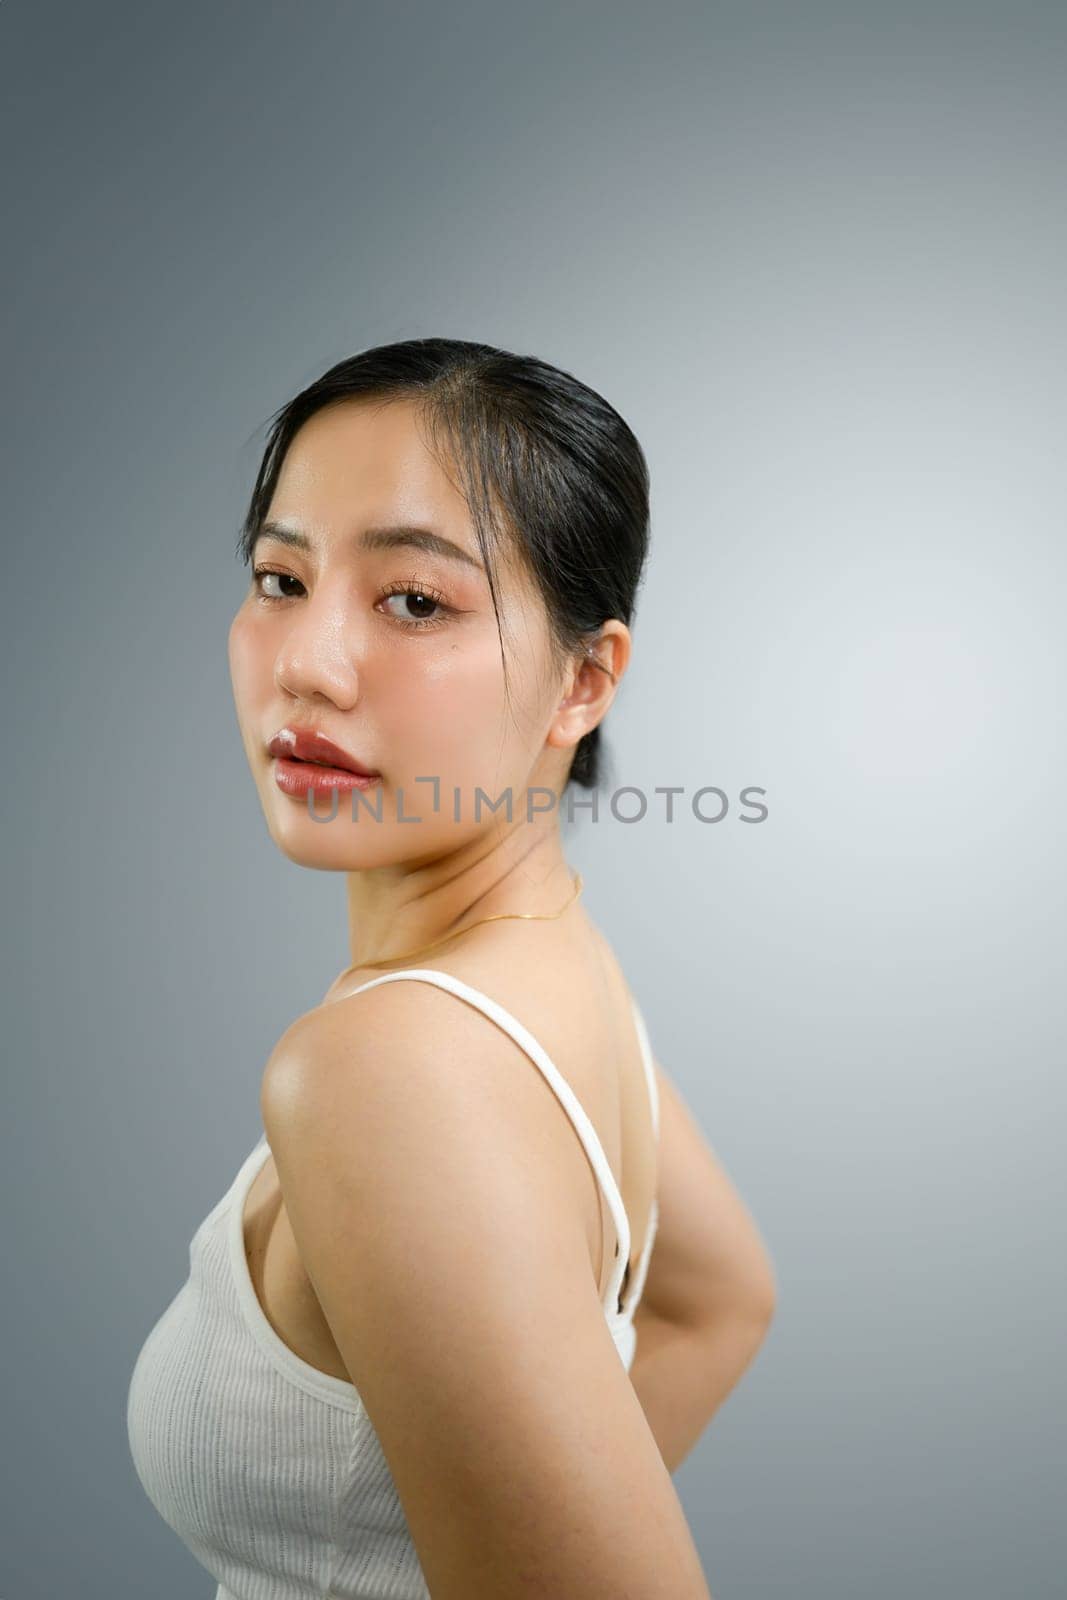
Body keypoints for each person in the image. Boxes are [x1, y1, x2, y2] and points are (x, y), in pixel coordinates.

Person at [127, 337, 776, 1599]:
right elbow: (719, 1300)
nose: (305, 664)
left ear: (583, 680)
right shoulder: (556, 972)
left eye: (414, 601)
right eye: (278, 576)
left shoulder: (386, 1071)